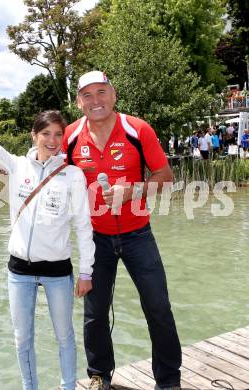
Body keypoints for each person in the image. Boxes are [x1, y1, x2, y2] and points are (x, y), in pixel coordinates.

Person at [0, 68, 95, 390]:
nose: (52, 141)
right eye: (46, 134)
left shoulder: (72, 176)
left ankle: (68, 386)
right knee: (22, 338)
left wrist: (85, 272)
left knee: (65, 336)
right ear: (33, 135)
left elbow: (83, 226)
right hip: (19, 271)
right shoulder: (15, 165)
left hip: (57, 271)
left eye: (58, 135)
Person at [62, 71, 182, 390]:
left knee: (158, 306)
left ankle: (169, 381)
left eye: (101, 92)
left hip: (137, 234)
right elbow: (51, 173)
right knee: (94, 313)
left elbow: (166, 176)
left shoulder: (137, 129)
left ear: (113, 95)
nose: (95, 101)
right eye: (87, 95)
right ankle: (99, 377)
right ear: (78, 102)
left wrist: (134, 191)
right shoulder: (71, 135)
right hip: (95, 239)